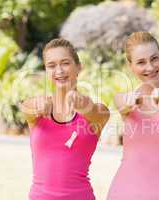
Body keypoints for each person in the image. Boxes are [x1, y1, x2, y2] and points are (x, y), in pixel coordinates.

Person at [107, 31, 159, 200]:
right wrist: (131, 101)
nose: (150, 67)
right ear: (130, 65)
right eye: (141, 62)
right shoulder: (124, 100)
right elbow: (122, 104)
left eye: (154, 58)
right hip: (123, 193)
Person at [20, 38, 110, 200]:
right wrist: (38, 106)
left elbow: (96, 112)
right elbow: (27, 108)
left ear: (78, 67)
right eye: (51, 65)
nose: (59, 70)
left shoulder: (98, 112)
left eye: (65, 63)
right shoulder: (37, 109)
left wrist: (82, 105)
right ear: (46, 71)